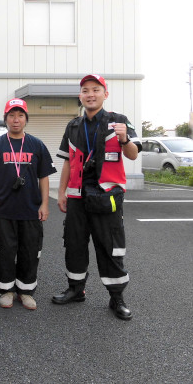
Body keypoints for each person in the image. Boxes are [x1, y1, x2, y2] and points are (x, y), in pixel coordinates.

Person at [52, 74, 141, 320]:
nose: (90, 94)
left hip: (106, 196)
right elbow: (69, 162)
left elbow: (133, 155)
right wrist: (61, 193)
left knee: (110, 247)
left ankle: (117, 298)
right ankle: (76, 289)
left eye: (95, 90)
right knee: (74, 244)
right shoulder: (73, 126)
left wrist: (124, 139)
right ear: (80, 96)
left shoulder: (119, 121)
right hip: (77, 197)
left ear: (105, 94)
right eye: (85, 90)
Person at [0, 98, 57, 310]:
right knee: (4, 251)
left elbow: (44, 177)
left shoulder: (37, 145)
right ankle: (6, 290)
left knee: (30, 252)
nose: (16, 120)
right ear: (5, 119)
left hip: (30, 210)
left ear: (26, 119)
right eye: (12, 116)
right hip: (3, 211)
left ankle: (26, 291)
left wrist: (44, 205)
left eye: (20, 115)